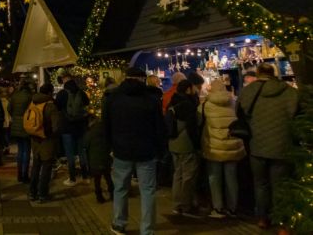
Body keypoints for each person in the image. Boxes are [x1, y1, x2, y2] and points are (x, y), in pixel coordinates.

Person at [103, 67, 166, 235]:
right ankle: (147, 229)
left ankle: (119, 223)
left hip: (121, 151)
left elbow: (106, 126)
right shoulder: (151, 99)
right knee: (147, 191)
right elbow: (159, 128)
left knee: (121, 188)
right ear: (142, 79)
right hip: (147, 151)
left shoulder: (112, 98)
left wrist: (110, 147)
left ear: (125, 77)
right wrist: (161, 150)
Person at [237, 63, 298, 229]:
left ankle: (263, 218)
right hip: (282, 145)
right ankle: (282, 222)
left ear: (258, 73)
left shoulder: (248, 91)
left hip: (257, 145)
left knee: (260, 184)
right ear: (274, 73)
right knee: (279, 185)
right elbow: (295, 114)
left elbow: (239, 113)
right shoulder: (289, 91)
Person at [200, 79, 246, 218]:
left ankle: (218, 207)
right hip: (232, 145)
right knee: (231, 178)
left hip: (213, 146)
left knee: (214, 178)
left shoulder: (205, 105)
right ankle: (232, 208)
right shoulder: (233, 103)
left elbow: (199, 122)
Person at [167, 79, 201, 217]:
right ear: (188, 89)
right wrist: (197, 145)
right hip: (186, 144)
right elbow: (192, 128)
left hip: (173, 143)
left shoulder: (172, 102)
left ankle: (177, 204)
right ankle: (186, 206)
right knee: (188, 176)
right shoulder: (188, 105)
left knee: (178, 175)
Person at [55, 69, 89, 186]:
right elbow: (86, 104)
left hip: (67, 127)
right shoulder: (81, 92)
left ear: (64, 80)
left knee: (70, 154)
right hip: (80, 127)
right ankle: (85, 176)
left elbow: (57, 108)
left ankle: (73, 178)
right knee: (82, 152)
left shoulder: (61, 94)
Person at [27, 82, 60, 203]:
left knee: (36, 166)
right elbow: (56, 126)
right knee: (46, 168)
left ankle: (32, 192)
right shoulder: (51, 106)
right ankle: (42, 194)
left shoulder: (33, 102)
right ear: (50, 93)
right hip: (47, 140)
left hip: (35, 139)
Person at [9, 80, 33, 183]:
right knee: (26, 151)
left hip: (16, 126)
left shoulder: (14, 96)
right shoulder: (29, 96)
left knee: (20, 151)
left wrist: (15, 115)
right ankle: (25, 175)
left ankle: (19, 175)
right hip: (26, 125)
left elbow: (9, 108)